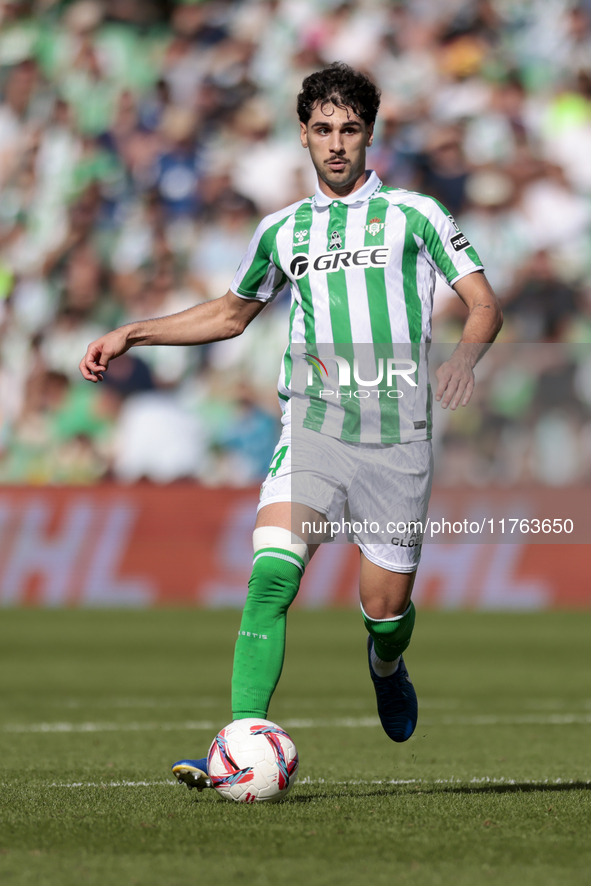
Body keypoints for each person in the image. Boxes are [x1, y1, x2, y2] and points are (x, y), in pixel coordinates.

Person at [80, 63, 502, 791]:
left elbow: (484, 304)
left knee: (384, 609)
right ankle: (242, 736)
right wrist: (134, 332)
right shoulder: (282, 230)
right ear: (302, 134)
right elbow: (230, 313)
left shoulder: (416, 215)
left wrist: (465, 358)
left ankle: (385, 663)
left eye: (348, 129)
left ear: (369, 133)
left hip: (394, 431)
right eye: (321, 130)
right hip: (311, 423)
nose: (335, 144)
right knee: (272, 573)